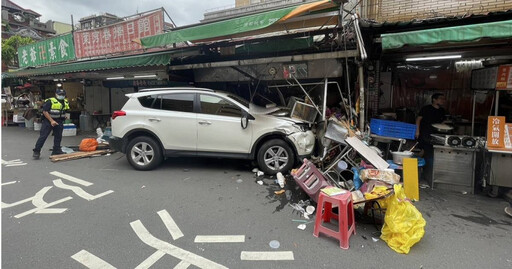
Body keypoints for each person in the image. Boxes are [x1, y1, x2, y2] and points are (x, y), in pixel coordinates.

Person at [415, 93, 447, 184]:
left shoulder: (442, 110)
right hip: (425, 132)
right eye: (441, 99)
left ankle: (425, 170)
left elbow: (443, 122)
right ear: (434, 100)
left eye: (443, 99)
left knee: (430, 152)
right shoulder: (426, 109)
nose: (442, 101)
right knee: (424, 150)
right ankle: (415, 167)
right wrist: (417, 131)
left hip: (436, 133)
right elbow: (418, 119)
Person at [32, 89, 70, 159]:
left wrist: (65, 116)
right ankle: (37, 151)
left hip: (59, 121)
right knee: (43, 136)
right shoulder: (50, 101)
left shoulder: (65, 102)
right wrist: (51, 121)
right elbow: (45, 111)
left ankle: (56, 150)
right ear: (56, 94)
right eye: (60, 94)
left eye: (62, 95)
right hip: (48, 121)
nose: (61, 96)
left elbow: (65, 110)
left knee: (58, 136)